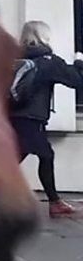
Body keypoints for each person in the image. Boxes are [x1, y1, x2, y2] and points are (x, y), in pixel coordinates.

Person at [11, 20, 83, 218]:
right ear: (43, 37)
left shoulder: (13, 57)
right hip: (31, 119)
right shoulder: (48, 61)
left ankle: (54, 202)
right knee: (37, 155)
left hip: (11, 117)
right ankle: (54, 203)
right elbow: (77, 81)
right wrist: (78, 62)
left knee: (37, 155)